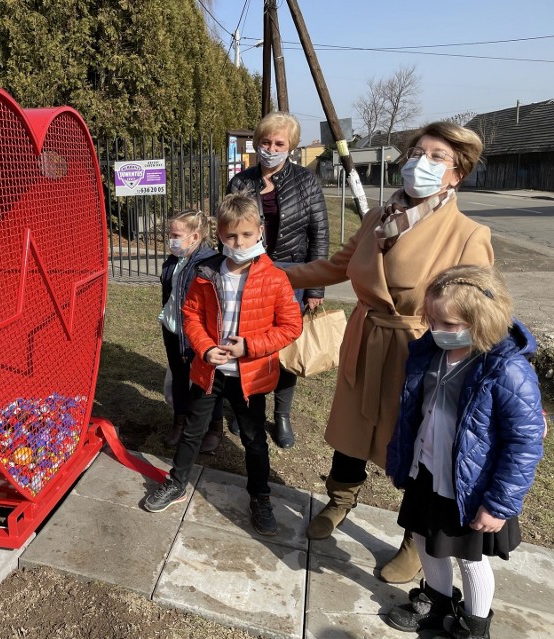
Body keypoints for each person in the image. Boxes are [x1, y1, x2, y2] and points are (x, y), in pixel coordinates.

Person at [282, 121, 494, 584]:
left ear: (457, 174)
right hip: (366, 340)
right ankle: (338, 502)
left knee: (417, 447)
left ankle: (413, 541)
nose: (422, 162)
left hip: (420, 353)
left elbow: (481, 309)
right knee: (352, 432)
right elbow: (338, 266)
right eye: (418, 152)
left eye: (438, 157)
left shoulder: (468, 233)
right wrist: (278, 276)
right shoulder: (379, 216)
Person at [384, 265, 545, 638]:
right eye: (432, 319)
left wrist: (499, 505)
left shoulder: (506, 369)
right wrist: (401, 457)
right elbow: (412, 410)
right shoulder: (429, 352)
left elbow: (524, 444)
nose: (436, 329)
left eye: (449, 324)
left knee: (469, 559)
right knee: (424, 538)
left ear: (482, 321)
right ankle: (436, 600)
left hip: (469, 487)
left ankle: (475, 624)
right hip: (428, 469)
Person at [142, 194, 302, 535]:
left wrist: (250, 346)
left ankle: (260, 496)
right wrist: (204, 348)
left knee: (254, 439)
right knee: (193, 430)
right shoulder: (207, 271)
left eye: (246, 235)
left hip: (250, 376)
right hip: (209, 372)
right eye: (231, 236)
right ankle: (176, 482)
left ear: (260, 231)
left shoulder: (273, 278)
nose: (239, 242)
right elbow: (191, 315)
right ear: (220, 236)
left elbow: (291, 326)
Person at [227, 112, 329, 449]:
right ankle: (242, 405)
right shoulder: (241, 182)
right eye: (266, 142)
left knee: (283, 347)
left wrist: (315, 287)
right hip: (249, 271)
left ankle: (281, 414)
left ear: (291, 147)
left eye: (279, 143)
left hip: (291, 275)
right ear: (257, 143)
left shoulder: (306, 182)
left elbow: (319, 235)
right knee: (246, 341)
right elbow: (228, 229)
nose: (271, 148)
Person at [159, 210, 227, 452]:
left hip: (198, 334)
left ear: (195, 236)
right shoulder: (173, 259)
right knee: (179, 375)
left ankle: (214, 428)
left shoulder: (210, 263)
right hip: (173, 329)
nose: (171, 239)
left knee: (207, 380)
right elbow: (170, 291)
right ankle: (179, 421)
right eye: (170, 234)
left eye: (176, 235)